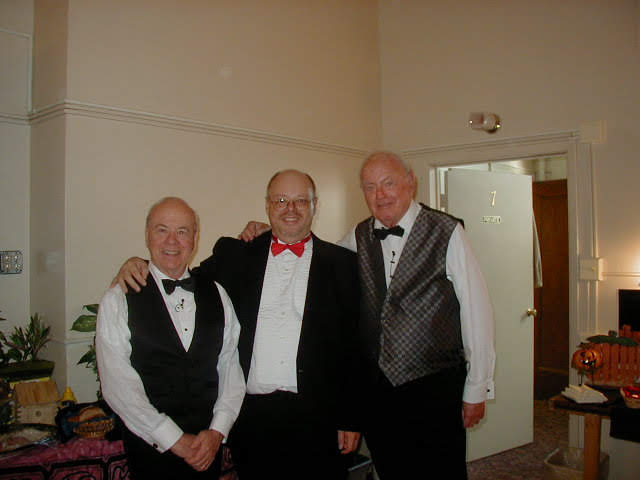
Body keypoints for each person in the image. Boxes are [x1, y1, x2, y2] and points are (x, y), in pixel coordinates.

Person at [240, 152, 495, 480]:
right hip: (378, 393)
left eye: (389, 183)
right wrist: (270, 233)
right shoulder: (358, 236)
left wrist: (477, 388)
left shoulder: (446, 231)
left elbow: (477, 312)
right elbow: (315, 258)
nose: (381, 194)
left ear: (411, 182)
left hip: (433, 387)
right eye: (370, 187)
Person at [112, 171, 361, 480]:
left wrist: (351, 417)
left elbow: (355, 345)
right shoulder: (236, 255)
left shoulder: (343, 264)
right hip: (252, 418)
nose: (290, 209)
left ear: (315, 205)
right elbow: (179, 276)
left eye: (300, 201)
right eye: (281, 200)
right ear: (267, 205)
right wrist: (137, 264)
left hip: (319, 417)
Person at [96, 197, 245, 480]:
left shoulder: (218, 293)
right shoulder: (118, 298)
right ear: (147, 235)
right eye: (162, 230)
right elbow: (118, 385)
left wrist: (217, 431)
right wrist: (173, 438)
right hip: (151, 450)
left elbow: (230, 369)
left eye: (182, 231)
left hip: (207, 449)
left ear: (195, 238)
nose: (172, 241)